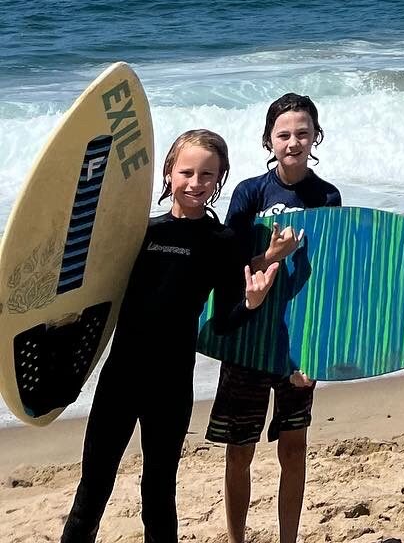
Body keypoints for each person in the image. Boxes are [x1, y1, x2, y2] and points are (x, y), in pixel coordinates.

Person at [60, 130, 292, 543]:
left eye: (207, 175)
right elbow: (90, 292)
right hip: (120, 379)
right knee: (92, 491)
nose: (195, 183)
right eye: (186, 172)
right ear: (168, 173)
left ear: (219, 180)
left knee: (159, 494)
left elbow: (222, 322)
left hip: (171, 385)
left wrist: (252, 304)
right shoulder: (140, 233)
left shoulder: (222, 243)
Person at [205, 93, 342, 543]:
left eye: (302, 133)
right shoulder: (249, 193)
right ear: (269, 140)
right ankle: (236, 539)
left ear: (315, 137)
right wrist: (269, 256)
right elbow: (226, 265)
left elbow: (328, 281)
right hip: (248, 336)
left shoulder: (327, 196)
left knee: (295, 448)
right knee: (239, 451)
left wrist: (318, 356)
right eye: (283, 134)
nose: (293, 142)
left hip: (296, 344)